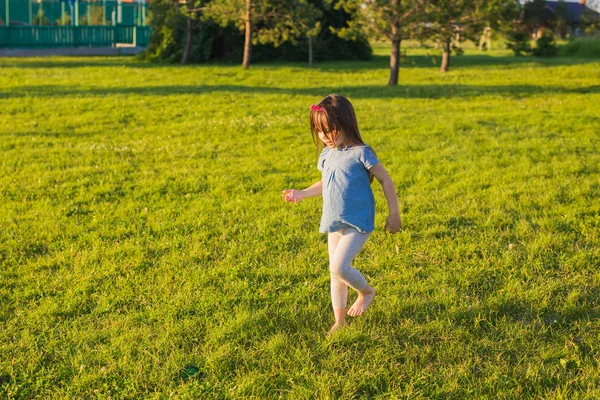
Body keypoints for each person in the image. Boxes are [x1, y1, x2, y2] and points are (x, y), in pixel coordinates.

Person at [282, 94, 402, 336]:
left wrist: (394, 213)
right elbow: (325, 182)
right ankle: (340, 321)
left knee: (339, 267)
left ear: (346, 124)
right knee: (334, 273)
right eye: (319, 131)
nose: (324, 136)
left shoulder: (361, 152)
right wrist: (302, 193)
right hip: (334, 220)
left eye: (330, 130)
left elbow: (385, 179)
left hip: (358, 221)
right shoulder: (326, 153)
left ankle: (367, 291)